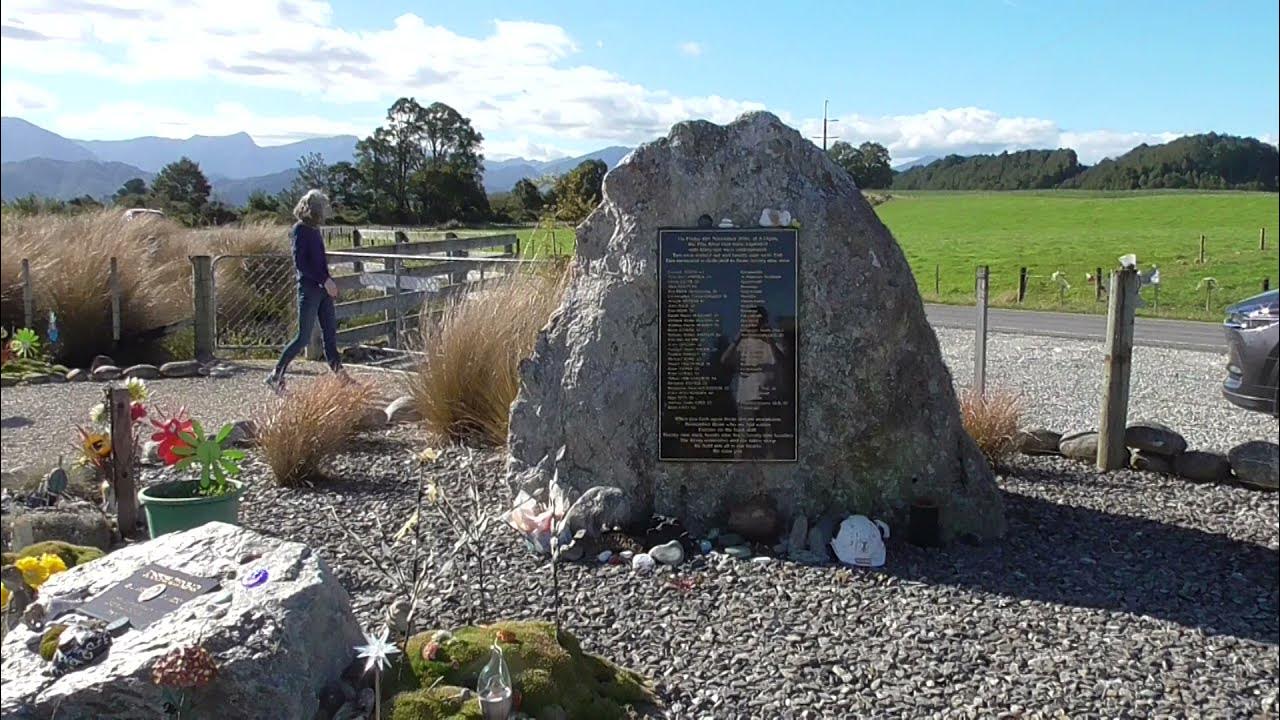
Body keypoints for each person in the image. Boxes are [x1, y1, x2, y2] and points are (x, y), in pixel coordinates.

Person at [266, 189, 345, 393]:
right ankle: (276, 374)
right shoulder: (300, 230)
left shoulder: (314, 230)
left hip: (322, 288)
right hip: (309, 290)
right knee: (303, 337)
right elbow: (301, 263)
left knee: (330, 334)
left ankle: (341, 375)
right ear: (315, 209)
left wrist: (328, 281)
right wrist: (324, 280)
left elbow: (318, 262)